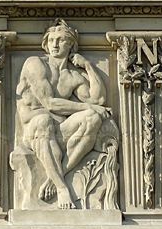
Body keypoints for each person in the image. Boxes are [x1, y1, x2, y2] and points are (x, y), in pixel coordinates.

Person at [15, 19, 111, 209]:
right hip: (35, 131)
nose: (55, 44)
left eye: (61, 40)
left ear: (71, 45)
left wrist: (88, 67)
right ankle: (61, 188)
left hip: (59, 131)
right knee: (44, 120)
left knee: (94, 117)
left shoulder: (73, 76)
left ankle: (56, 176)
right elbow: (49, 103)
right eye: (51, 40)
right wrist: (87, 107)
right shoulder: (35, 64)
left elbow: (98, 100)